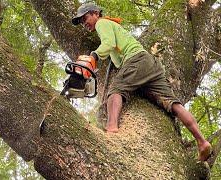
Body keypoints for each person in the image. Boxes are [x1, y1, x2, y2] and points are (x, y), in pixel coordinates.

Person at [71, 3, 211, 161]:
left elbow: (108, 43)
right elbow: (114, 53)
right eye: (82, 22)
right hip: (151, 65)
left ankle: (111, 129)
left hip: (136, 60)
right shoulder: (112, 26)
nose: (85, 23)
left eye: (85, 18)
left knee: (115, 90)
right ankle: (202, 142)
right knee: (172, 104)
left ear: (95, 13)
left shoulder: (102, 23)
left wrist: (94, 56)